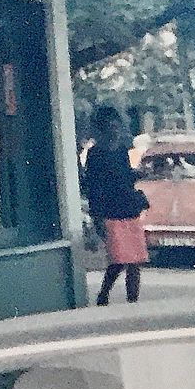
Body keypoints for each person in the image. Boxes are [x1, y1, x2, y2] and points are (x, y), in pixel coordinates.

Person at [83, 105, 147, 306]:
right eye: (112, 126)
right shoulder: (95, 154)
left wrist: (136, 175)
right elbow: (94, 187)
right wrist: (97, 217)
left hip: (129, 209)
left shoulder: (121, 150)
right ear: (103, 129)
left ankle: (132, 300)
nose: (116, 130)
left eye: (117, 125)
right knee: (118, 259)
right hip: (110, 212)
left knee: (135, 260)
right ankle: (103, 294)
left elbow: (126, 177)